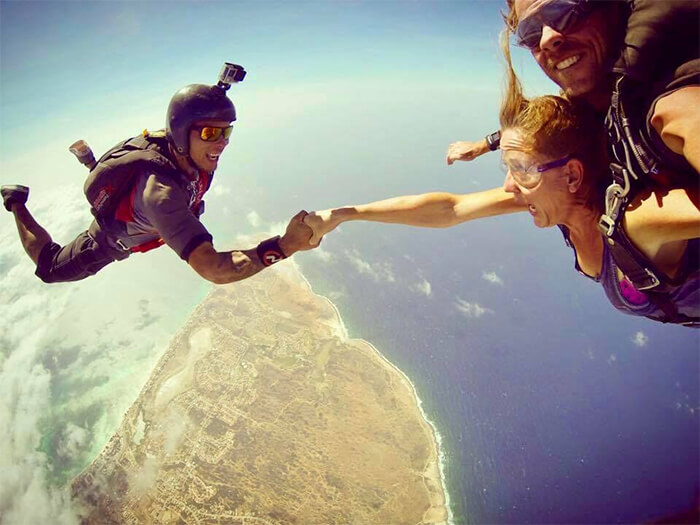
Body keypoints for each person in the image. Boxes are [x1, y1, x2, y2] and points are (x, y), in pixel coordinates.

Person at [304, 89, 700, 325]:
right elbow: (451, 209)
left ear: (574, 175)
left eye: (523, 170)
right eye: (508, 169)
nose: (510, 185)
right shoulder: (560, 201)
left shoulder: (639, 220)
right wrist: (344, 215)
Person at [1, 72, 315, 285]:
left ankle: (91, 162)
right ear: (181, 134)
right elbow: (214, 269)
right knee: (50, 269)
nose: (222, 142)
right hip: (107, 240)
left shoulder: (191, 154)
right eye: (210, 132)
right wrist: (286, 245)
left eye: (227, 130)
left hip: (148, 214)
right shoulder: (161, 196)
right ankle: (15, 201)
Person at [446, 0, 699, 180]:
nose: (547, 40)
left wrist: (629, 223)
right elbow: (556, 114)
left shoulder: (671, 98)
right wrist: (484, 145)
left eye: (564, 12)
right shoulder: (605, 92)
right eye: (531, 32)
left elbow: (685, 113)